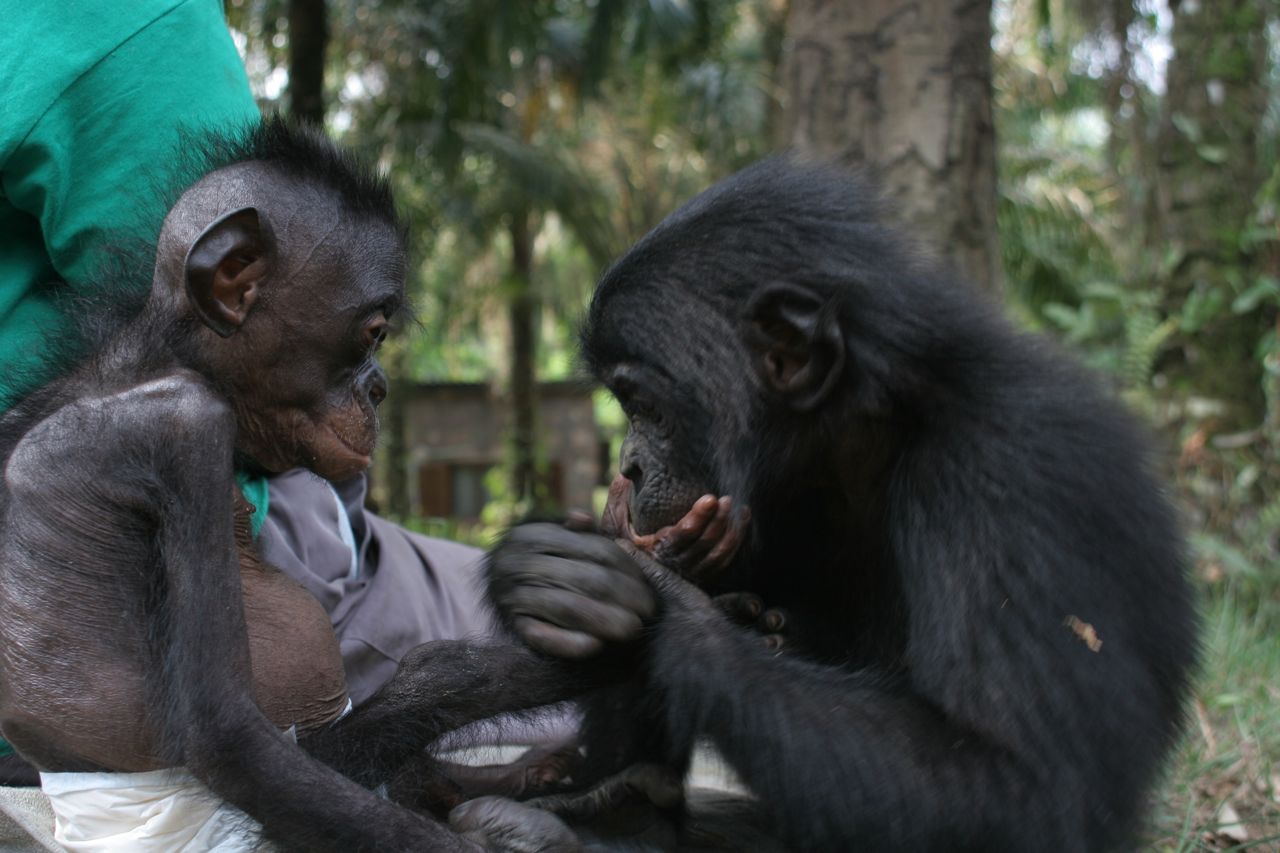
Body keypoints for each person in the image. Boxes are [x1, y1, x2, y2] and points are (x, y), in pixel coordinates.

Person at [1, 0, 495, 763]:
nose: (375, 385)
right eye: (368, 340)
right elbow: (231, 742)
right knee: (554, 629)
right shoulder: (126, 18)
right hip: (120, 608)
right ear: (233, 280)